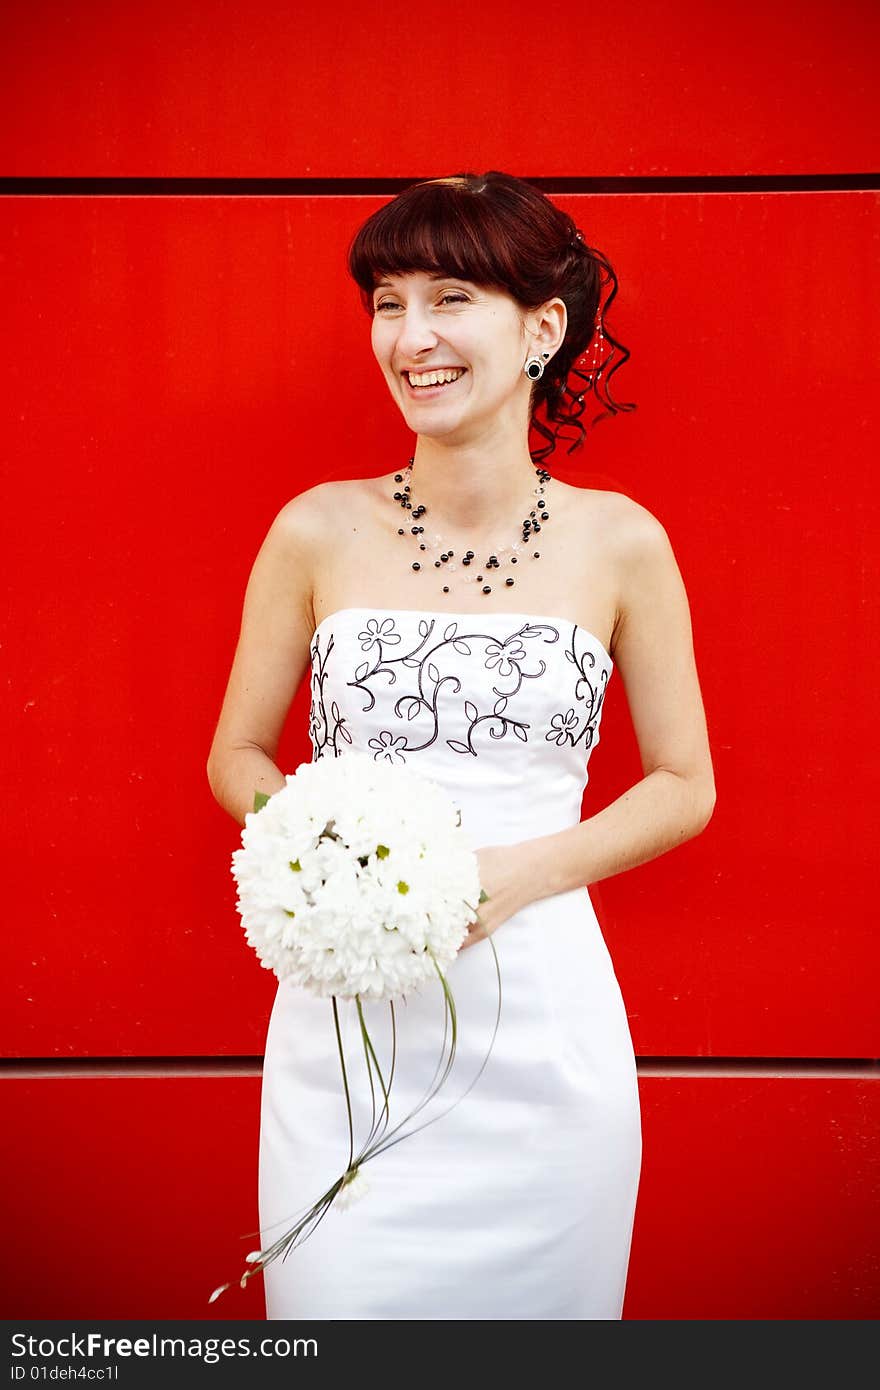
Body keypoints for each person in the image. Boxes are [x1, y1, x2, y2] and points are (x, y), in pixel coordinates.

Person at [206, 171, 716, 1320]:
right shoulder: (315, 527)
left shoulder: (620, 541)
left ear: (543, 329)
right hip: (348, 1026)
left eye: (449, 296)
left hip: (545, 1031)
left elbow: (685, 784)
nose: (410, 335)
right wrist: (317, 847)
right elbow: (237, 751)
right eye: (386, 301)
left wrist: (515, 874)